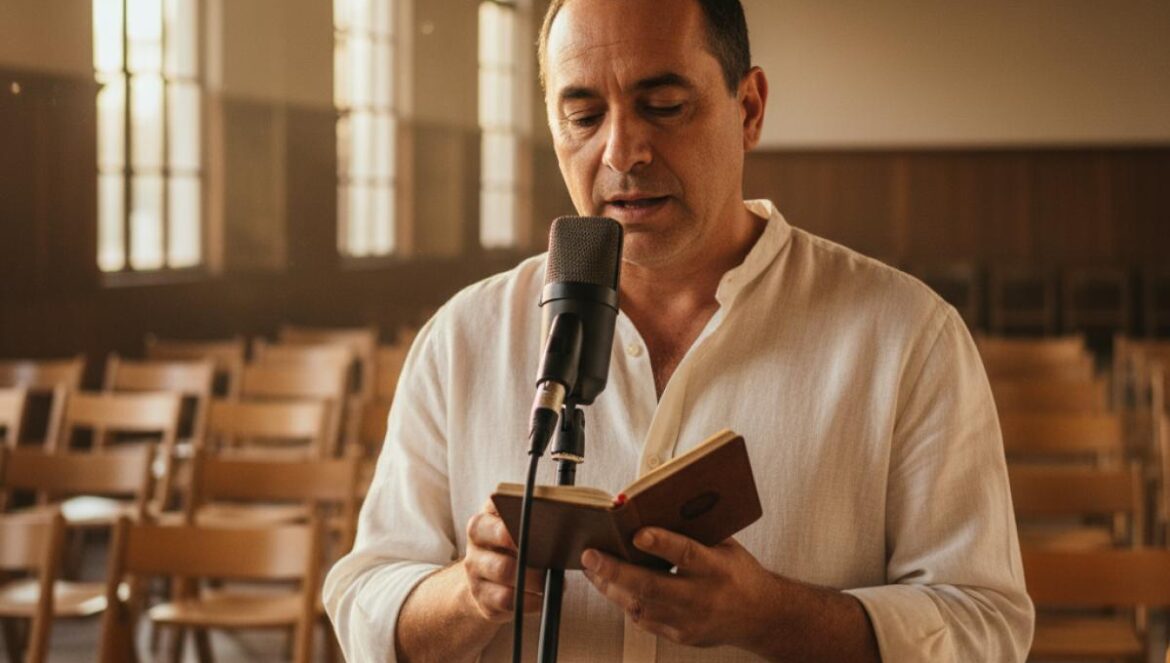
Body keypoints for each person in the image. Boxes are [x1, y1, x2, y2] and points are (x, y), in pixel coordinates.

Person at [324, 0, 1035, 660]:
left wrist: (772, 616)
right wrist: (470, 593)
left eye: (662, 106)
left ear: (749, 107)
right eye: (583, 117)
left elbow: (984, 627)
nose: (621, 151)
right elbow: (362, 603)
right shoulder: (463, 337)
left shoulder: (907, 336)